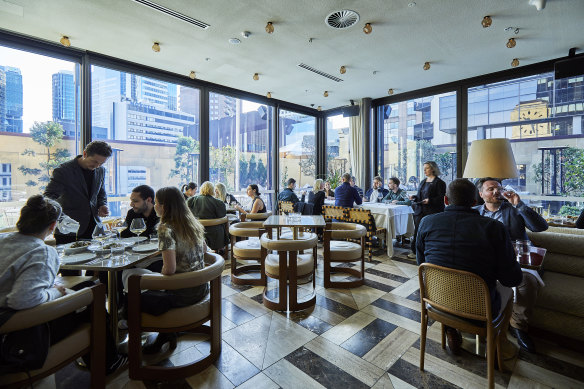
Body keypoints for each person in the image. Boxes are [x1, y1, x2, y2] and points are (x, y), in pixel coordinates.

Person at [0, 195, 127, 374]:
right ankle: (109, 363)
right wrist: (56, 293)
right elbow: (22, 300)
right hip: (17, 333)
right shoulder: (41, 252)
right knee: (92, 297)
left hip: (9, 322)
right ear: (53, 226)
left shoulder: (2, 240)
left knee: (82, 289)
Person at [416, 179, 523, 355]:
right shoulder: (494, 228)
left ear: (445, 200)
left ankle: (451, 325)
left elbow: (421, 263)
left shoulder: (426, 222)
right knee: (508, 292)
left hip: (435, 302)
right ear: (475, 202)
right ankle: (497, 345)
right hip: (479, 310)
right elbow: (512, 279)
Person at [122, 187, 208, 354]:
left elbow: (169, 270)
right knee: (135, 275)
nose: (154, 206)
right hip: (200, 287)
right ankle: (165, 334)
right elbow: (204, 251)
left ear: (164, 206)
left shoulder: (165, 228)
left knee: (128, 276)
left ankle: (131, 326)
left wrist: (155, 278)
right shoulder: (193, 223)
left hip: (179, 293)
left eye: (156, 203)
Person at [475, 177, 549, 353]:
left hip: (516, 259)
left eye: (498, 188)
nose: (495, 191)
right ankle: (479, 318)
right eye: (490, 189)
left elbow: (540, 227)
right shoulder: (474, 212)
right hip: (486, 260)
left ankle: (518, 326)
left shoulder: (514, 209)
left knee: (527, 281)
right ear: (481, 194)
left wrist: (519, 204)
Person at [44, 140, 113, 245]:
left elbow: (101, 192)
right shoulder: (64, 171)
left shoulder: (101, 170)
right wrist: (61, 218)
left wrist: (102, 204)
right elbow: (48, 198)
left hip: (94, 227)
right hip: (69, 229)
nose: (97, 166)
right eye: (95, 161)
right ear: (85, 154)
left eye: (101, 163)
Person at [408, 161, 446, 259]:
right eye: (424, 168)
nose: (424, 170)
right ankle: (415, 251)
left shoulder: (440, 183)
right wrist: (414, 197)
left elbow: (441, 198)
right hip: (420, 211)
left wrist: (430, 200)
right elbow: (420, 196)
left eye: (427, 168)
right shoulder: (423, 181)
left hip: (432, 212)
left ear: (433, 169)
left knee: (430, 233)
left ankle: (430, 252)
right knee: (417, 232)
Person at [188, 181, 229, 253]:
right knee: (223, 224)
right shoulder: (218, 202)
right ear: (212, 190)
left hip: (197, 231)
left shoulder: (191, 201)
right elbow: (223, 216)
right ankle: (221, 249)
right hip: (215, 233)